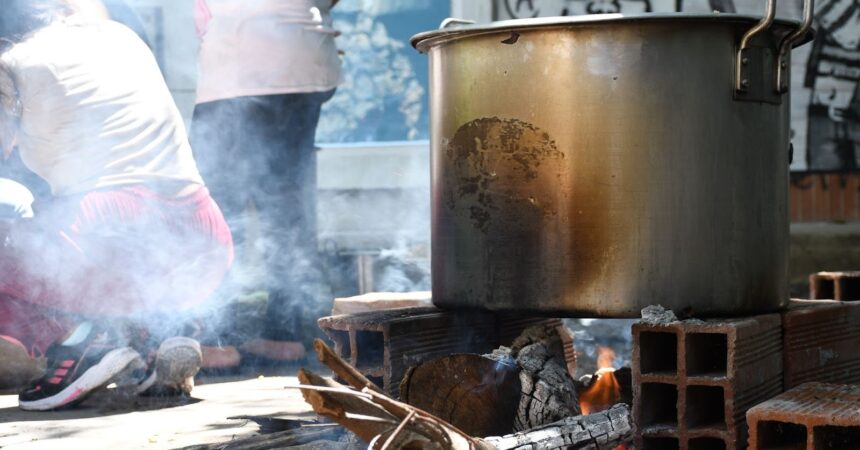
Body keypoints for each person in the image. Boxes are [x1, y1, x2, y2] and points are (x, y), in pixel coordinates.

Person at [0, 0, 233, 410]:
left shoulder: (14, 64)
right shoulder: (121, 38)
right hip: (202, 236)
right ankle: (153, 338)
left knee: (35, 241)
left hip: (106, 232)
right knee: (70, 230)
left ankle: (77, 341)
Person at [190, 0, 341, 364]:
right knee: (286, 204)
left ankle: (216, 338)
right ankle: (282, 333)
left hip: (237, 67)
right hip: (303, 60)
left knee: (219, 205)